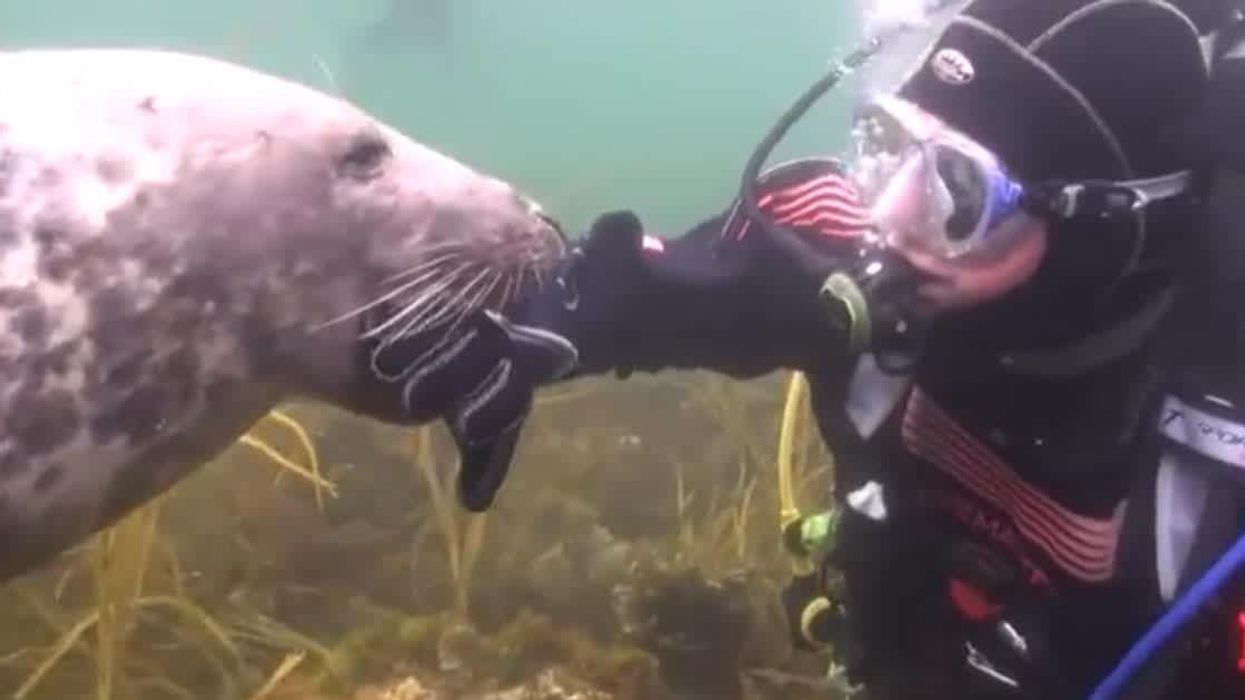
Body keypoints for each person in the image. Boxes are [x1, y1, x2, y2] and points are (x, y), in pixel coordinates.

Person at [377, 0, 1245, 697]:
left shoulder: (1221, 418)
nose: (892, 216)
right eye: (892, 147)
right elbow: (698, 274)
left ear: (1105, 223)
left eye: (959, 189)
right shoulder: (873, 248)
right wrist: (562, 312)